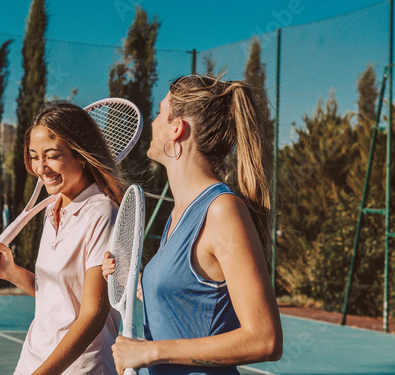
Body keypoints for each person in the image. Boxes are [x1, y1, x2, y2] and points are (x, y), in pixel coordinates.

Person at [103, 75, 283, 375]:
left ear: (177, 128)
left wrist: (150, 352)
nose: (153, 121)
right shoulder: (179, 214)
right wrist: (140, 285)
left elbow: (265, 339)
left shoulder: (222, 211)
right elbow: (194, 304)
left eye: (161, 111)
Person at [0, 100, 127, 375]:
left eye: (52, 155)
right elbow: (58, 297)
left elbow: (93, 313)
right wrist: (10, 272)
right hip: (33, 359)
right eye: (34, 155)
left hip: (81, 367)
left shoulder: (102, 212)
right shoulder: (54, 208)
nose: (41, 167)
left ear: (81, 154)